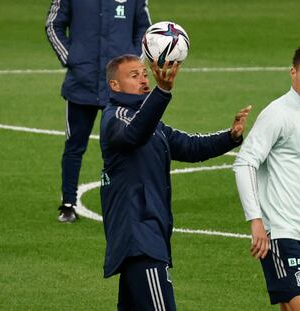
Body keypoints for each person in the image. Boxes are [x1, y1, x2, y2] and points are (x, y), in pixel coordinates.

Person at [100, 54, 252, 310]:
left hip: (145, 237)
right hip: (140, 238)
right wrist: (162, 92)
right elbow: (134, 134)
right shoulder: (116, 117)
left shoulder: (153, 125)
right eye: (134, 75)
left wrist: (230, 136)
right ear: (115, 85)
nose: (143, 80)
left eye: (144, 74)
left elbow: (190, 146)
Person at [233, 42, 300, 311]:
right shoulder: (278, 114)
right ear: (293, 73)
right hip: (281, 234)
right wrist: (256, 221)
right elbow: (244, 163)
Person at [45, 0, 151, 222]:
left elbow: (144, 29)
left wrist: (132, 65)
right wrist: (70, 58)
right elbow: (53, 24)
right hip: (81, 84)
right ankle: (68, 204)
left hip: (121, 88)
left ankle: (133, 202)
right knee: (74, 146)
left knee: (130, 145)